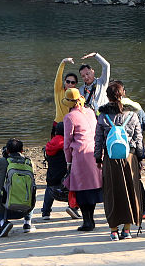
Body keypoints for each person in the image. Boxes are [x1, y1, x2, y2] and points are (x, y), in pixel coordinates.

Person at [95, 81, 145, 240]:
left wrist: (98, 158)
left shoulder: (103, 116)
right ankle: (127, 230)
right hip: (129, 157)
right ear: (123, 94)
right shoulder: (132, 115)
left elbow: (98, 140)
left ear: (107, 96)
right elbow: (139, 139)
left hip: (111, 159)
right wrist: (141, 157)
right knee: (130, 192)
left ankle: (113, 231)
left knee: (112, 193)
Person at [62, 87, 103, 231]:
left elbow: (67, 143)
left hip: (80, 155)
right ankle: (90, 219)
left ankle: (88, 221)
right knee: (92, 188)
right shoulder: (91, 112)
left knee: (81, 189)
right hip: (95, 152)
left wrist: (68, 161)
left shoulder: (69, 117)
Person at [0, 138, 35, 237]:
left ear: (7, 150)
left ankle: (3, 223)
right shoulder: (29, 162)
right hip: (25, 209)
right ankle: (27, 223)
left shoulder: (2, 162)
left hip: (4, 209)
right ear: (22, 151)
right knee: (29, 191)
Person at [38, 122, 78, 220]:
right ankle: (73, 207)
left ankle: (46, 212)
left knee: (49, 189)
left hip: (52, 176)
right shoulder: (67, 145)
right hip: (65, 178)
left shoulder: (50, 145)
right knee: (75, 186)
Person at [53, 57, 79, 125]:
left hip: (71, 124)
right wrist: (63, 62)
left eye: (72, 82)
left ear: (75, 84)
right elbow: (58, 76)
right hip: (58, 123)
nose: (70, 84)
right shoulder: (58, 91)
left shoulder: (77, 95)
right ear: (64, 81)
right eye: (68, 81)